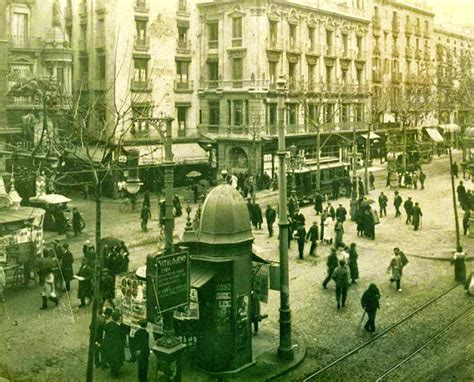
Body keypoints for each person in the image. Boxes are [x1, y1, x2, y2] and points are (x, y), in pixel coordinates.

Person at [103, 310, 126, 378]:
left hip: (109, 345)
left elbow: (105, 334)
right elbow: (121, 337)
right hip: (116, 346)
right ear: (117, 318)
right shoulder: (118, 328)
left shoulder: (108, 325)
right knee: (117, 359)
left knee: (111, 358)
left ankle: (113, 371)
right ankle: (115, 372)